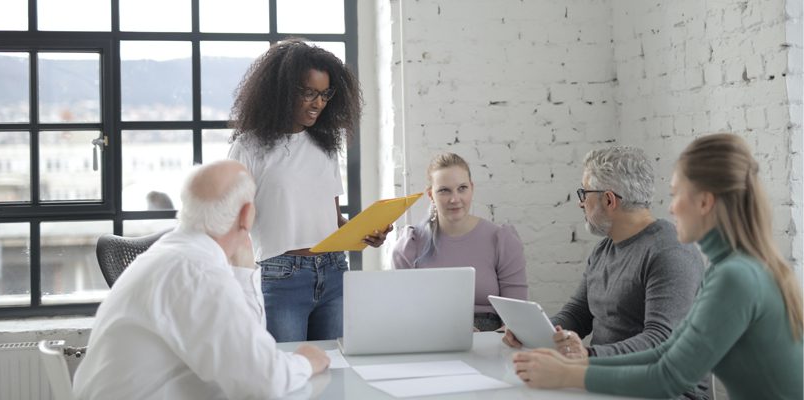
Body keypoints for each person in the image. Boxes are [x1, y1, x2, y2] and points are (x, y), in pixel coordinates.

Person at [513, 133, 804, 399]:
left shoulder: (734, 276)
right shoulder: (728, 268)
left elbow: (669, 378)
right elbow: (669, 351)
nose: (670, 206)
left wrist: (568, 372)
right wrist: (583, 360)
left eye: (677, 193)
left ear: (704, 202)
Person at [73, 160, 330, 399]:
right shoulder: (197, 272)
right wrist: (307, 362)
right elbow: (262, 382)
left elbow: (246, 348)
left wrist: (244, 271)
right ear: (247, 215)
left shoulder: (174, 254)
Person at [502, 146, 709, 399]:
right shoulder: (604, 249)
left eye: (584, 193)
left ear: (609, 200)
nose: (580, 202)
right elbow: (578, 313)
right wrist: (532, 332)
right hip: (606, 379)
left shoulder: (671, 252)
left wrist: (588, 357)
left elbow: (661, 340)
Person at [227, 38, 390, 342]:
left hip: (334, 271)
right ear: (282, 90)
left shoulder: (325, 145)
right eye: (308, 93)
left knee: (334, 373)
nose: (318, 103)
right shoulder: (248, 147)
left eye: (325, 94)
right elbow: (231, 225)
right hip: (280, 277)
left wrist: (366, 232)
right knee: (288, 377)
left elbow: (333, 219)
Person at [392, 152, 528, 331]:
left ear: (472, 188)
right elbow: (401, 315)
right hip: (430, 336)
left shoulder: (501, 240)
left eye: (462, 188)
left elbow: (516, 318)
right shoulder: (410, 245)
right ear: (430, 195)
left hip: (491, 340)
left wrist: (489, 341)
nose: (455, 199)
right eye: (444, 190)